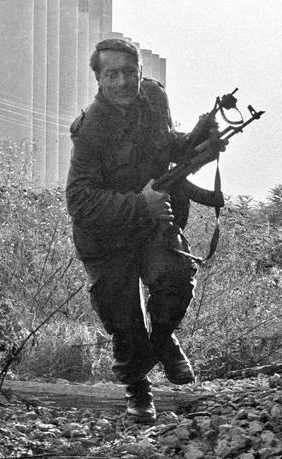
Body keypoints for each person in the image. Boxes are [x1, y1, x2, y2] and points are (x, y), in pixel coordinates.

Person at [65, 38, 219, 423]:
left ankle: (164, 339)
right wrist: (140, 203)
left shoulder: (154, 99)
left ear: (140, 72)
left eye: (128, 72)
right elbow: (79, 201)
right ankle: (138, 388)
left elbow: (167, 148)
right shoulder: (90, 128)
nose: (121, 82)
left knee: (176, 278)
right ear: (99, 79)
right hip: (104, 235)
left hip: (153, 224)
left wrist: (201, 144)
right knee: (123, 316)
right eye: (111, 75)